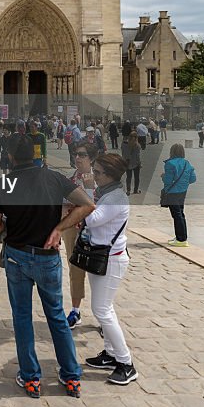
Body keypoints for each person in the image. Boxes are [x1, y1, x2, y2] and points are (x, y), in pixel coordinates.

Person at [0, 130, 94, 399]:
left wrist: (9, 222)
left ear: (9, 156)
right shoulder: (53, 177)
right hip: (47, 258)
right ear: (34, 154)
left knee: (22, 318)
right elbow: (87, 205)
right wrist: (58, 229)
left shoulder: (2, 185)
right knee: (56, 316)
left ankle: (31, 377)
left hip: (17, 255)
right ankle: (71, 376)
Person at [83, 153, 137, 386]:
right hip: (100, 255)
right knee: (105, 308)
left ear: (110, 175)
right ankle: (110, 354)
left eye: (98, 172)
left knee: (101, 309)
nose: (94, 176)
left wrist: (84, 192)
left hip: (111, 259)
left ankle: (126, 363)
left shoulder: (116, 198)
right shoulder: (106, 194)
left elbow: (92, 219)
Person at [63, 144, 97, 329]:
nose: (77, 158)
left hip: (95, 230)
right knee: (74, 268)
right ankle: (76, 310)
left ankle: (103, 313)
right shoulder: (70, 178)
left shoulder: (100, 178)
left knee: (98, 270)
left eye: (82, 155)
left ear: (91, 158)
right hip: (72, 229)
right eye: (76, 154)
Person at [161, 143, 197, 247]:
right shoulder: (187, 163)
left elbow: (168, 181)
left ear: (172, 152)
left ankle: (181, 239)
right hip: (183, 191)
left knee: (176, 215)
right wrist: (183, 183)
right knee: (181, 213)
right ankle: (181, 237)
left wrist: (163, 176)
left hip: (172, 192)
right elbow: (193, 179)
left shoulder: (170, 164)